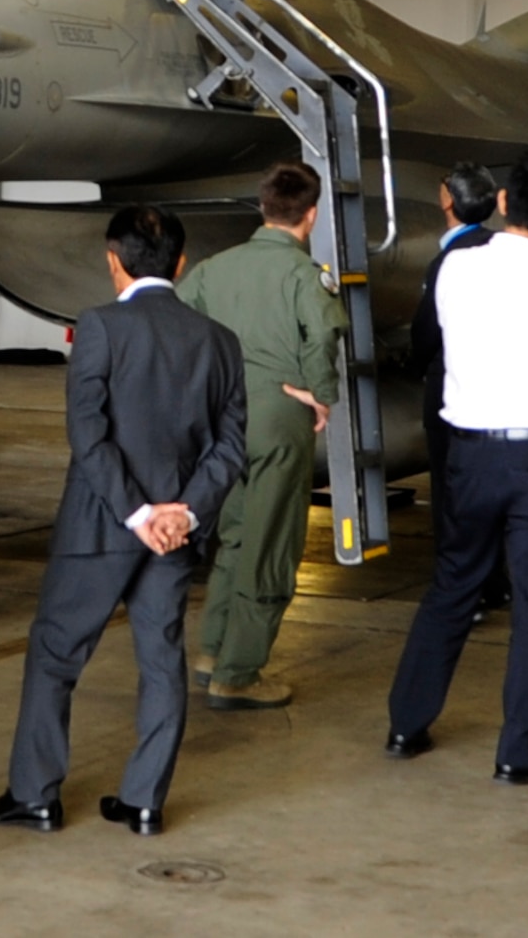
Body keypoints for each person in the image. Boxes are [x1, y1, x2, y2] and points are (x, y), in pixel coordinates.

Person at [0, 206, 245, 837]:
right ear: (181, 263)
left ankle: (35, 795)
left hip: (101, 527)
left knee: (56, 654)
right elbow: (229, 447)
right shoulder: (219, 340)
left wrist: (136, 513)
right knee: (161, 660)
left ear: (113, 261)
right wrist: (182, 513)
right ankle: (144, 801)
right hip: (175, 534)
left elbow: (88, 434)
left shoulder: (100, 326)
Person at [386, 148, 528, 784]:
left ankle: (406, 723)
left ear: (503, 202)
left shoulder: (455, 267)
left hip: (467, 454)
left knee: (453, 584)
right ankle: (522, 752)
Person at [176, 161, 346, 710]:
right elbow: (322, 334)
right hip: (279, 416)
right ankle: (239, 673)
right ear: (311, 215)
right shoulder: (304, 275)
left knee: (237, 533)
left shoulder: (215, 268)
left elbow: (178, 325)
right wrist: (321, 392)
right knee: (271, 544)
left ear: (263, 206)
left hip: (223, 418)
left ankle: (212, 651)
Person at [410, 162, 511, 620]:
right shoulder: (502, 251)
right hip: (499, 393)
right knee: (488, 491)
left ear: (447, 199)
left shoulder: (450, 259)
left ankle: (463, 593)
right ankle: (494, 583)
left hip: (452, 393)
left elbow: (428, 331)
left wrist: (415, 366)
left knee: (451, 497)